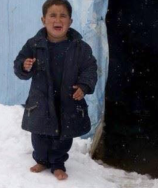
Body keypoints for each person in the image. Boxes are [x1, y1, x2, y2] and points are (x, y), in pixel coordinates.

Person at [13, 0, 98, 180]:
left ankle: (58, 163)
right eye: (52, 15)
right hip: (41, 99)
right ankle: (42, 160)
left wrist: (84, 86)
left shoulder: (80, 47)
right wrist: (24, 66)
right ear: (43, 20)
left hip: (67, 99)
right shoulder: (34, 45)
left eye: (63, 16)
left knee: (63, 135)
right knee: (39, 134)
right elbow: (18, 64)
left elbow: (90, 68)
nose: (57, 20)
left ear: (70, 21)